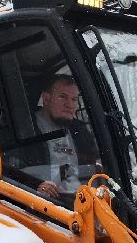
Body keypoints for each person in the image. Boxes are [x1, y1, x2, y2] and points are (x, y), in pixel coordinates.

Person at [11, 73, 98, 201]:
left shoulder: (80, 131)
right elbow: (8, 171)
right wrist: (36, 185)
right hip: (41, 204)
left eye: (74, 99)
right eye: (63, 97)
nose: (69, 105)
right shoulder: (25, 128)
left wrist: (98, 166)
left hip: (80, 201)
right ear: (46, 99)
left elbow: (92, 164)